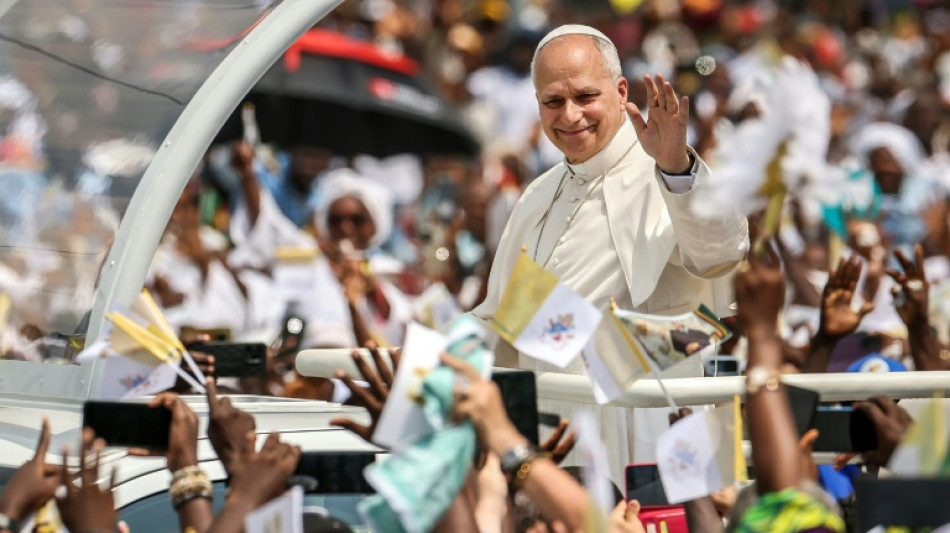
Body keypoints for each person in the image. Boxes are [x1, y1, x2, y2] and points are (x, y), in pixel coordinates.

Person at [470, 24, 749, 476]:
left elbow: (720, 253)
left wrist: (676, 168)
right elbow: (506, 319)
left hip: (652, 430)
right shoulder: (538, 194)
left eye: (585, 96)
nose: (570, 115)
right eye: (553, 102)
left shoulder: (664, 167)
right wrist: (420, 353)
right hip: (561, 436)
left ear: (621, 92)